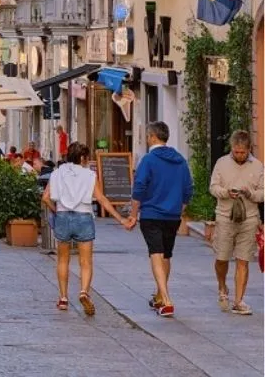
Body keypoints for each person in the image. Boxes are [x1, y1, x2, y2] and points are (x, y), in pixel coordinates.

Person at [43, 142, 132, 315]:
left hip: (63, 215)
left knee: (62, 260)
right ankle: (84, 291)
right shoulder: (90, 175)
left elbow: (46, 197)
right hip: (83, 217)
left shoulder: (56, 173)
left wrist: (57, 211)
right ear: (83, 158)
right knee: (86, 261)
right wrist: (121, 219)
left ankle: (63, 298)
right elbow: (101, 199)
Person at [128, 121, 193, 318]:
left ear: (153, 137)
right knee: (166, 255)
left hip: (152, 214)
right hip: (172, 215)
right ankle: (159, 295)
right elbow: (188, 189)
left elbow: (139, 188)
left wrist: (133, 214)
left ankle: (166, 299)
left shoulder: (148, 160)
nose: (147, 140)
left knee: (156, 253)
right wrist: (179, 210)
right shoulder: (180, 160)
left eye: (148, 136)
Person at [209, 130, 264, 315]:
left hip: (249, 217)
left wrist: (250, 193)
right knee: (222, 258)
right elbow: (213, 187)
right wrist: (226, 192)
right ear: (231, 148)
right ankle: (222, 287)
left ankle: (239, 300)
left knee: (243, 259)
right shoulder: (222, 163)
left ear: (249, 149)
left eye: (243, 152)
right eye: (236, 151)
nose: (239, 155)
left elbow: (263, 193)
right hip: (225, 216)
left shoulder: (257, 166)